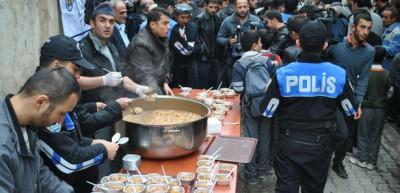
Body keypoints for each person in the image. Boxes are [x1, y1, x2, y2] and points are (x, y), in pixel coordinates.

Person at [260, 21, 359, 193]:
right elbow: (351, 110)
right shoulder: (338, 74)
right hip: (320, 146)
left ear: (298, 43)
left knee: (286, 189)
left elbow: (267, 110)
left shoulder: (282, 73)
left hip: (287, 143)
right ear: (325, 45)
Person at [37, 35, 132, 193]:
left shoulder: (59, 89)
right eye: (74, 69)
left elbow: (72, 132)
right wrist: (102, 149)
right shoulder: (46, 100)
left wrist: (89, 141)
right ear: (56, 66)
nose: (78, 76)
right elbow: (68, 157)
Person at [0, 68, 79, 193]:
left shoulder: (28, 124)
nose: (61, 121)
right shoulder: (3, 146)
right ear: (41, 102)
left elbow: (36, 170)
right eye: (62, 113)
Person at [326, 12, 374, 179]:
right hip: (330, 97)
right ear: (353, 27)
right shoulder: (336, 47)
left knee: (345, 136)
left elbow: (364, 78)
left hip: (348, 99)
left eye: (369, 28)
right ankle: (324, 160)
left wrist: (358, 103)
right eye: (362, 27)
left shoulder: (369, 51)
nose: (366, 31)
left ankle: (338, 163)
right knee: (329, 131)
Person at [232, 31, 274, 186]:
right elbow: (271, 82)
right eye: (260, 42)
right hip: (267, 105)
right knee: (265, 137)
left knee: (250, 138)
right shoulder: (266, 61)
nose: (261, 45)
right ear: (254, 45)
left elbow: (238, 88)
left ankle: (251, 174)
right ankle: (263, 170)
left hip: (249, 105)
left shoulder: (239, 64)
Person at [348, 46, 391, 170]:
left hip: (365, 108)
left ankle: (362, 159)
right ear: (384, 58)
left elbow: (357, 90)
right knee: (375, 136)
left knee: (363, 134)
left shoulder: (364, 73)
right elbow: (390, 93)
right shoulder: (387, 74)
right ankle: (372, 161)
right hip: (381, 109)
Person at [123, 7, 174, 95]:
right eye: (165, 23)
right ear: (153, 25)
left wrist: (165, 82)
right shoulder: (140, 44)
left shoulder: (163, 38)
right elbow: (145, 76)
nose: (169, 27)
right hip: (139, 92)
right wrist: (160, 99)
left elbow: (165, 64)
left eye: (169, 23)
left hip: (156, 87)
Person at [217, 0, 261, 86]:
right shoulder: (227, 21)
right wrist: (228, 41)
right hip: (233, 60)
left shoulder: (255, 20)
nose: (243, 9)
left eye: (245, 7)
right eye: (240, 7)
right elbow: (219, 38)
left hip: (251, 61)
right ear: (235, 8)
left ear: (248, 6)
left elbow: (262, 39)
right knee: (235, 86)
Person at [193, 0, 224, 88]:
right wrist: (201, 49)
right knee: (204, 85)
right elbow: (194, 36)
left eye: (215, 7)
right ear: (206, 6)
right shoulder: (199, 18)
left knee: (213, 83)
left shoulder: (216, 17)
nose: (213, 10)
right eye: (211, 7)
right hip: (203, 57)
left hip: (214, 56)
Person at [169, 3, 199, 88]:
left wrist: (193, 49)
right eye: (182, 17)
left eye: (187, 17)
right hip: (178, 65)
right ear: (176, 16)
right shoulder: (174, 30)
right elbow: (174, 48)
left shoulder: (194, 27)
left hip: (191, 64)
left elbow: (198, 44)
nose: (185, 20)